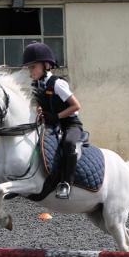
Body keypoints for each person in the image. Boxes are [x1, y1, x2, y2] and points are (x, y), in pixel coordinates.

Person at [23, 42, 83, 199]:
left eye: (33, 67)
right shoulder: (36, 85)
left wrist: (56, 116)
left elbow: (76, 106)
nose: (30, 72)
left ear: (45, 65)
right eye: (29, 68)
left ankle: (66, 183)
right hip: (50, 123)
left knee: (69, 144)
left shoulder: (57, 84)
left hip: (70, 124)